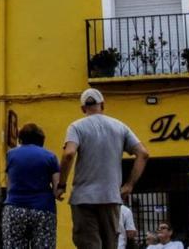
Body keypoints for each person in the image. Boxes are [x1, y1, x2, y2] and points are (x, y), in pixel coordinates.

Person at [58, 89, 150, 249]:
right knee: (110, 244)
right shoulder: (120, 127)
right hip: (111, 197)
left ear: (82, 108)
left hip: (83, 198)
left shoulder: (76, 127)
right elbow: (143, 153)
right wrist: (129, 185)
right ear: (103, 105)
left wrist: (61, 185)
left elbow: (69, 153)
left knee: (89, 244)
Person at [3, 123, 59, 249]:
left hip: (15, 209)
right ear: (41, 140)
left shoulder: (11, 155)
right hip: (43, 209)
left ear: (21, 138)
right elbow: (56, 189)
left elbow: (8, 183)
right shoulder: (50, 157)